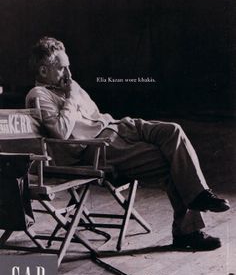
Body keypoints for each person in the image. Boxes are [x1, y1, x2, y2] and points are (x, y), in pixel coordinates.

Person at [26, 36, 230, 250]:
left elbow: (94, 114)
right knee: (170, 164)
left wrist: (103, 116)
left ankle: (199, 194)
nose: (68, 74)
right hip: (96, 147)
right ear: (43, 71)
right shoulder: (39, 95)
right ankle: (188, 232)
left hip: (116, 126)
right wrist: (70, 98)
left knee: (172, 130)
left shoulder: (70, 87)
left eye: (68, 67)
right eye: (62, 68)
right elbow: (59, 133)